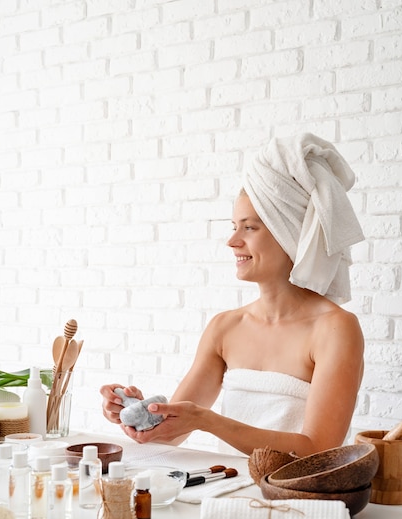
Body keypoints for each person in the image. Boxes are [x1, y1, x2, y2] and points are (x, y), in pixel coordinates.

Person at [100, 133, 365, 457]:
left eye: (249, 228)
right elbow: (168, 436)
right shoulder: (224, 328)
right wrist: (139, 416)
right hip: (226, 497)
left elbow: (317, 449)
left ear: (291, 234)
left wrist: (208, 421)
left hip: (299, 503)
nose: (232, 241)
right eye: (233, 226)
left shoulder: (335, 329)